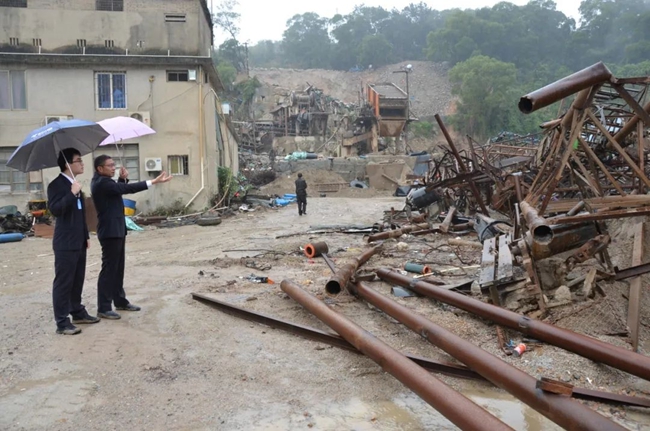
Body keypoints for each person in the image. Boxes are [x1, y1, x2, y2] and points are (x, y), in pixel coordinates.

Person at [91, 155, 172, 319]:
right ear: (100, 168)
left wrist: (121, 179)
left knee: (118, 267)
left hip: (117, 229)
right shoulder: (101, 183)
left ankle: (120, 301)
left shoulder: (107, 183)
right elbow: (125, 190)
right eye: (110, 165)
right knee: (109, 269)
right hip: (110, 231)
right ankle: (104, 307)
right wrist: (152, 182)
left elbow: (116, 192)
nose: (113, 168)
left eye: (114, 165)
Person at [47, 148, 99, 335]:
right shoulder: (57, 185)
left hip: (78, 240)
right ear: (67, 164)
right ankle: (62, 322)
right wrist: (71, 193)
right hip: (65, 242)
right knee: (64, 282)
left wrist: (85, 235)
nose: (82, 163)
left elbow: (80, 214)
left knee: (77, 279)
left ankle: (77, 312)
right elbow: (56, 210)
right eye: (78, 160)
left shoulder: (75, 184)